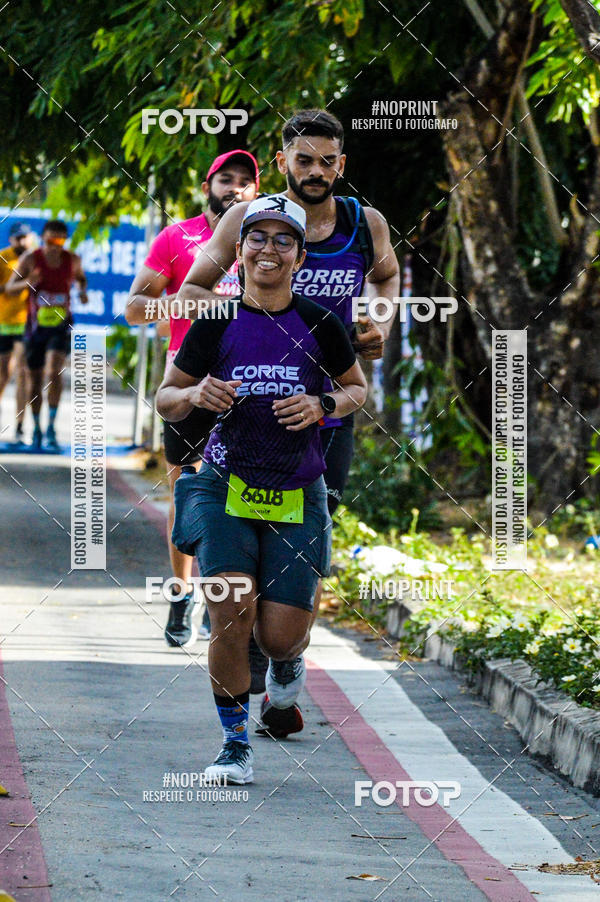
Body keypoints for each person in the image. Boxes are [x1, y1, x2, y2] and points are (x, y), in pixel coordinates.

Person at [176, 109, 400, 733]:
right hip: (250, 407)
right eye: (304, 160)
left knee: (305, 540)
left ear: (342, 165)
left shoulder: (365, 223)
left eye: (328, 162)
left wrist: (377, 324)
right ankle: (244, 653)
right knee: (236, 575)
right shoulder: (247, 221)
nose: (316, 172)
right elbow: (192, 291)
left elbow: (386, 278)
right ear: (282, 162)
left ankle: (283, 652)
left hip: (328, 407)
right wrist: (252, 321)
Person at [157, 195, 367, 782]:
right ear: (238, 250)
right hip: (224, 486)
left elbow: (356, 389)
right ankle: (234, 746)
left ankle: (285, 667)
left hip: (298, 490)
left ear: (300, 256)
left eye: (283, 240)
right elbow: (167, 398)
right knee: (230, 610)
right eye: (257, 238)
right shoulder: (215, 321)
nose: (268, 250)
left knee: (279, 637)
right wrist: (194, 394)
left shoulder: (321, 323)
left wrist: (323, 405)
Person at [126, 150, 259, 648]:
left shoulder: (265, 239)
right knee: (187, 492)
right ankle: (182, 594)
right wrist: (185, 304)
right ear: (207, 186)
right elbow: (135, 308)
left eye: (246, 181)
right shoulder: (176, 237)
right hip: (187, 380)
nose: (235, 188)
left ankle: (220, 597)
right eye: (226, 179)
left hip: (251, 380)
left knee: (239, 495)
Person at [6, 219, 88, 451]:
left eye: (60, 241)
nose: (55, 246)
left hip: (61, 326)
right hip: (35, 328)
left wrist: (82, 290)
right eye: (51, 240)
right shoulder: (30, 259)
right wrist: (27, 282)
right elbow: (10, 288)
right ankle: (37, 429)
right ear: (43, 238)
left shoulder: (72, 260)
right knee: (34, 380)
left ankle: (51, 427)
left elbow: (81, 278)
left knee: (54, 371)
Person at [0, 223, 32, 442]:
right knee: (3, 374)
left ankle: (20, 425)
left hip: (25, 323)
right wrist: (17, 285)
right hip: (3, 322)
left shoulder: (33, 259)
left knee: (23, 373)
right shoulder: (3, 257)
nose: (22, 242)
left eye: (25, 237)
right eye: (18, 238)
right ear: (11, 239)